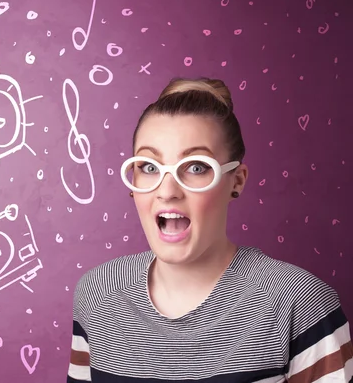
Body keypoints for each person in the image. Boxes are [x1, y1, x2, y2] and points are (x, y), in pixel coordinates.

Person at [67, 77, 352, 382]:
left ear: (236, 180)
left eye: (196, 167)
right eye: (149, 168)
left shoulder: (298, 302)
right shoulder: (96, 294)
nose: (168, 191)